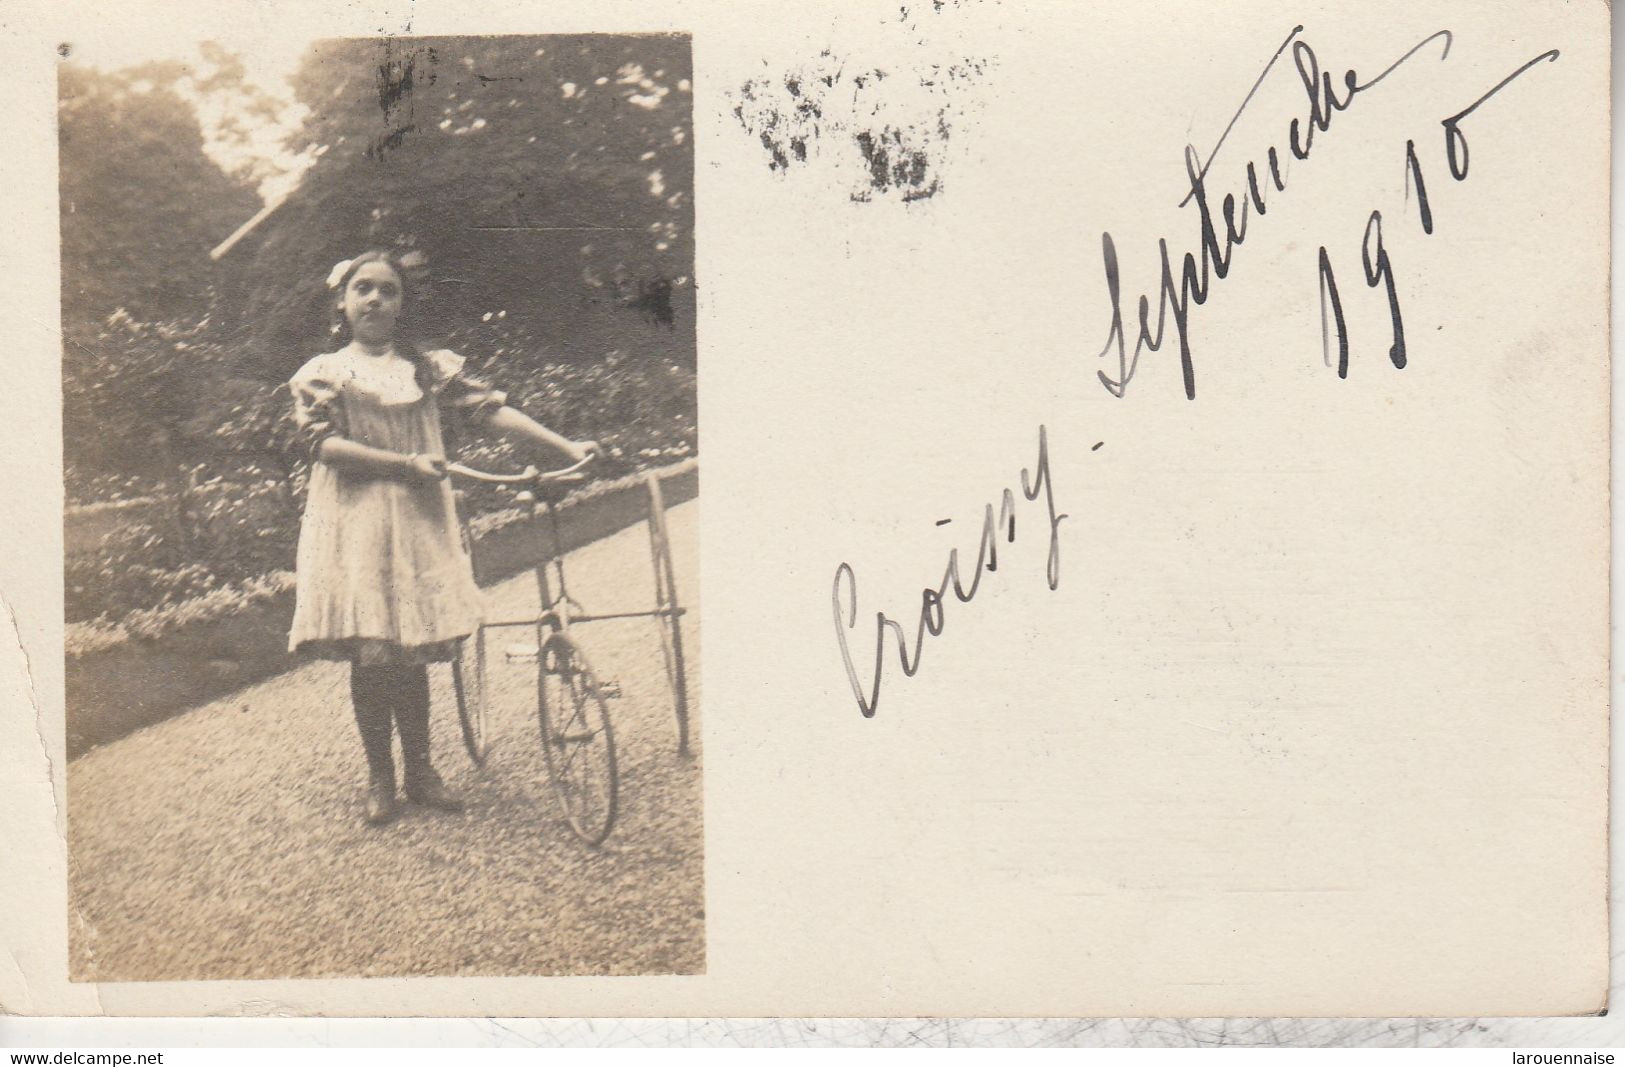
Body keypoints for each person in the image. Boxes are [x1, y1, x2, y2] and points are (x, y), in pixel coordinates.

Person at [286, 249, 597, 826]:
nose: (375, 299)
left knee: (412, 647)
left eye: (388, 290)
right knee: (374, 650)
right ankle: (380, 775)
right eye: (363, 289)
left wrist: (565, 448)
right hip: (355, 521)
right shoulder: (324, 371)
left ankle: (421, 771)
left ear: (402, 305)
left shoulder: (427, 368)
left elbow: (491, 411)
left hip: (418, 519)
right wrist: (404, 465)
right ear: (343, 300)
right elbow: (320, 446)